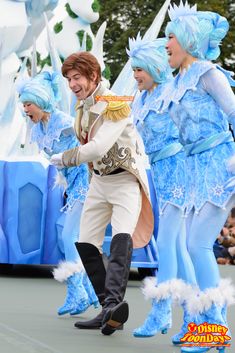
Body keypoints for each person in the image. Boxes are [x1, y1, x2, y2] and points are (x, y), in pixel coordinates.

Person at [50, 51, 154, 335]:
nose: (72, 84)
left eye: (77, 77)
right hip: (98, 182)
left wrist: (65, 158)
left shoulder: (116, 104)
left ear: (93, 76)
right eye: (69, 79)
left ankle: (110, 308)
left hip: (124, 182)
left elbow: (97, 147)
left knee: (122, 240)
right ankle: (109, 309)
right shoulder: (81, 106)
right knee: (85, 243)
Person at [159, 2, 235, 352]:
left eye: (171, 36)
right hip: (192, 170)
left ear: (188, 38)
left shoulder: (208, 73)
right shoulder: (176, 83)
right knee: (192, 245)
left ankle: (215, 331)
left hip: (220, 163)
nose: (166, 44)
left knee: (197, 244)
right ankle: (208, 327)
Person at [127, 36, 197, 340]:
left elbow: (192, 126)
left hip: (179, 171)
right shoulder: (141, 99)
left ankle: (161, 310)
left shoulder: (171, 92)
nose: (135, 76)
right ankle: (198, 317)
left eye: (140, 69)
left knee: (168, 244)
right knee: (178, 250)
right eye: (133, 70)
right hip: (161, 175)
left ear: (154, 68)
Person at [18, 71, 98, 316]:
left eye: (28, 104)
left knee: (68, 234)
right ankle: (90, 291)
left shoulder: (64, 123)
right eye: (23, 105)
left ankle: (80, 292)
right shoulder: (38, 129)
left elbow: (90, 143)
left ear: (40, 102)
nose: (25, 109)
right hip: (71, 185)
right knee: (71, 235)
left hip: (86, 180)